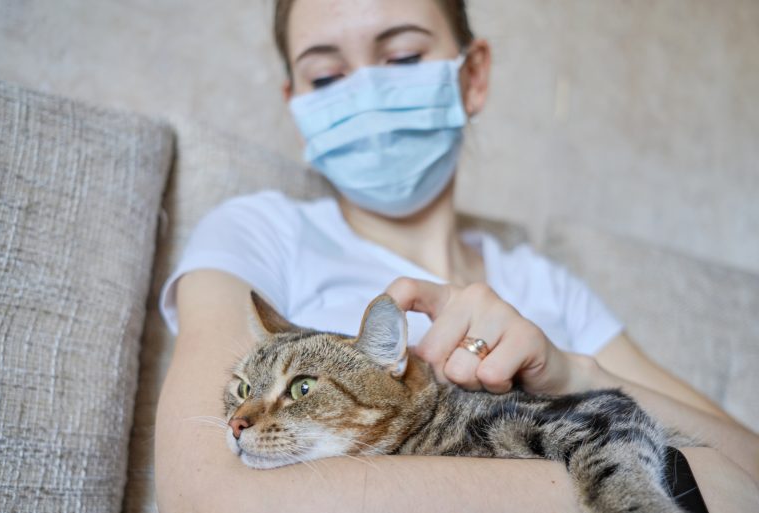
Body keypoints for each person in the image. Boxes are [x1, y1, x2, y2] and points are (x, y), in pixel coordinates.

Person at [154, 1, 759, 511]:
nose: (366, 91)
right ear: (296, 104)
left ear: (472, 77)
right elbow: (203, 493)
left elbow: (751, 467)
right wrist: (687, 480)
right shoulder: (258, 229)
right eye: (327, 78)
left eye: (403, 59)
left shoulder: (546, 282)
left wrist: (578, 376)